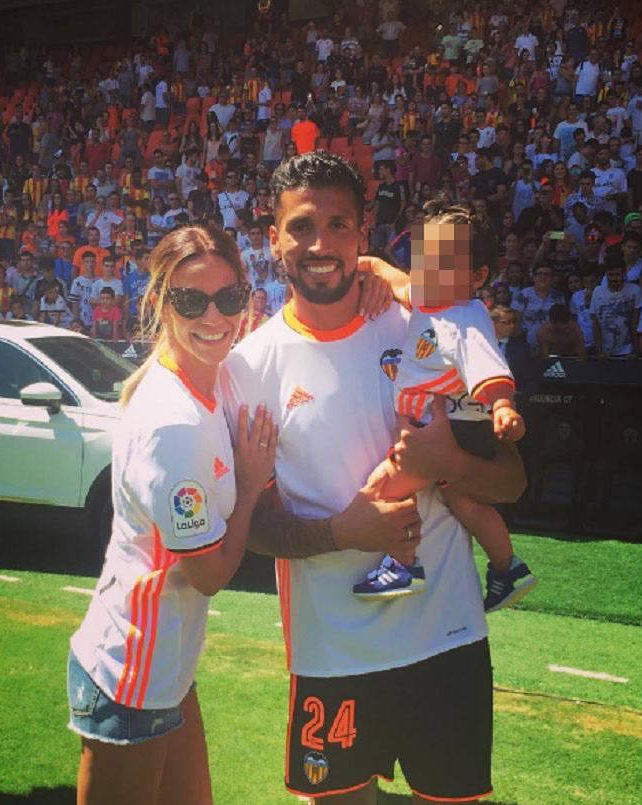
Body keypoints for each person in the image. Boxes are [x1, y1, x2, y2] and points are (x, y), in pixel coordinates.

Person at [220, 152, 526, 803]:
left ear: (363, 235)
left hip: (447, 638)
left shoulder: (428, 326)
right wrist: (342, 531)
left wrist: (451, 465)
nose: (321, 243)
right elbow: (251, 525)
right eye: (301, 226)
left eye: (339, 225)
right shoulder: (249, 368)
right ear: (272, 238)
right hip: (333, 653)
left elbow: (511, 480)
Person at [68, 225, 278, 805]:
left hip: (165, 667)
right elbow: (209, 573)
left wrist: (377, 274)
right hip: (132, 673)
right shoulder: (173, 424)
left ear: (247, 301)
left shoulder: (217, 376)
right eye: (191, 300)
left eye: (229, 298)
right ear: (162, 303)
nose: (214, 316)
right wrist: (253, 484)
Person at [350, 205, 536, 612]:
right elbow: (396, 278)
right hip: (451, 424)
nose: (430, 270)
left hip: (449, 426)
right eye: (426, 258)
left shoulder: (465, 316)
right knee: (465, 502)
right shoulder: (429, 298)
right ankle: (508, 568)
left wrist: (503, 406)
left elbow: (488, 366)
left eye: (445, 263)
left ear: (477, 277)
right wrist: (366, 263)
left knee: (386, 487)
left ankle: (402, 565)